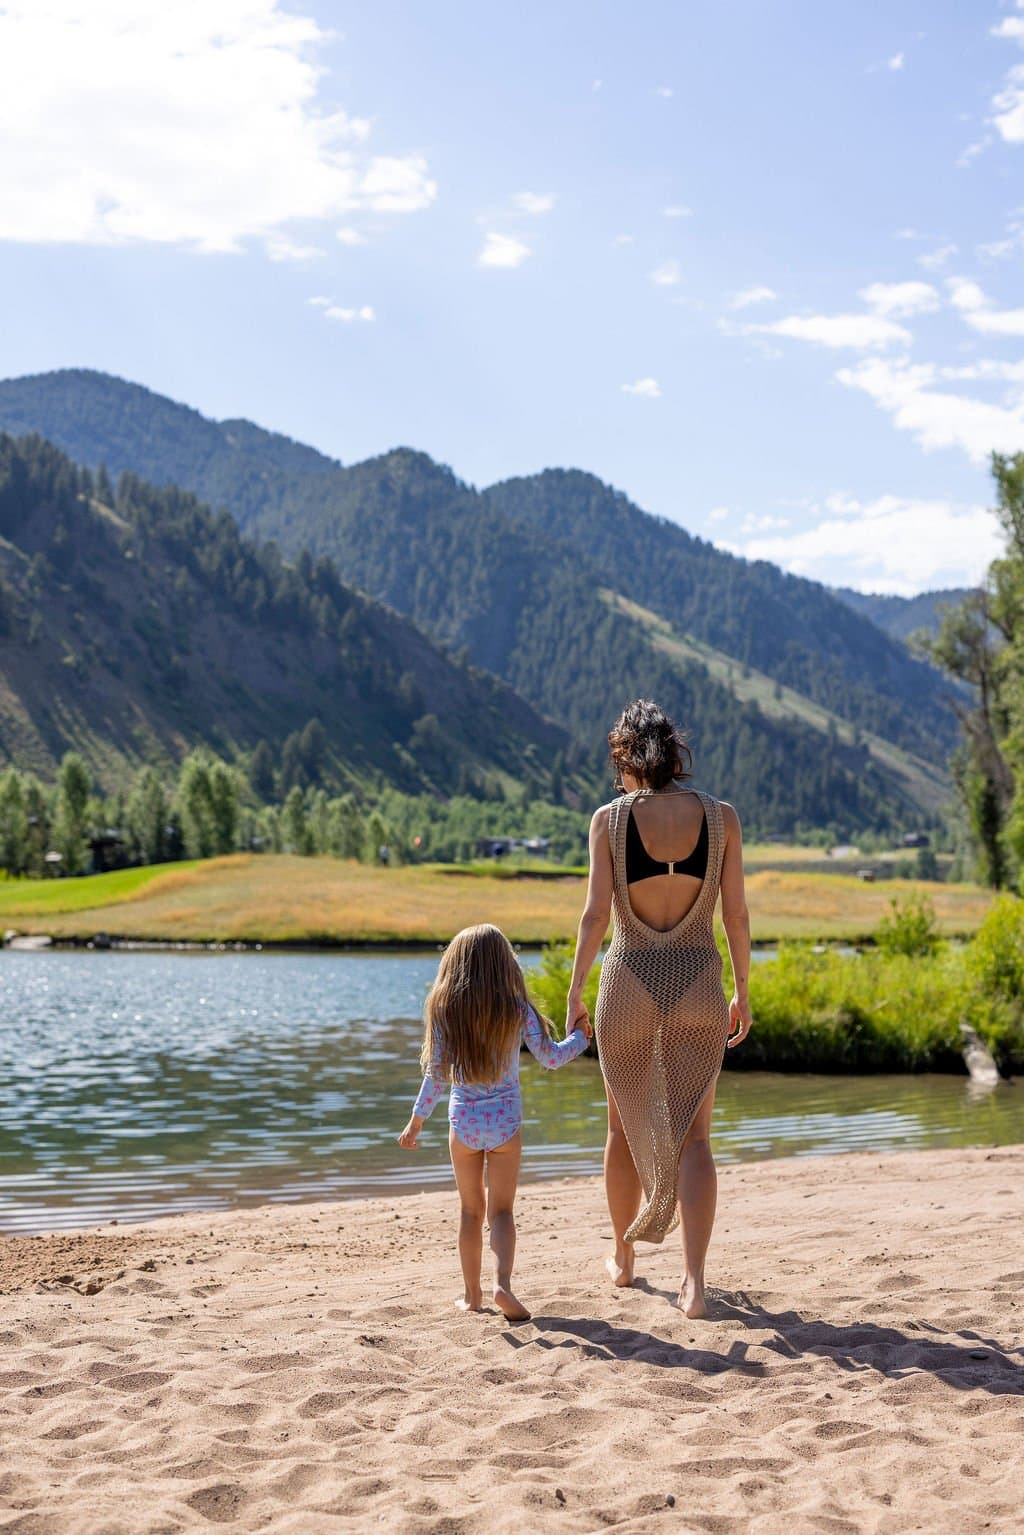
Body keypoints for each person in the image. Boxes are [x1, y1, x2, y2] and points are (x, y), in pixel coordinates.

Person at [565, 699, 752, 1318]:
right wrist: (743, 990)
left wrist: (573, 989)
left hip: (628, 983)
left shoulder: (609, 821)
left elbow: (596, 915)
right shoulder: (720, 818)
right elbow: (736, 916)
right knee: (696, 1137)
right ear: (675, 753)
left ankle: (624, 1260)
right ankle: (694, 1281)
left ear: (625, 756)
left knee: (620, 1127)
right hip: (698, 980)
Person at [397, 923, 591, 1322]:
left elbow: (435, 1075)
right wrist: (581, 1040)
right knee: (501, 1212)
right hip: (506, 1124)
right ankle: (503, 1285)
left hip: (464, 1123)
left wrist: (416, 1121)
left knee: (470, 1211)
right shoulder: (517, 1010)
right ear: (506, 964)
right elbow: (551, 1058)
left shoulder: (444, 1009)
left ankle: (472, 1296)